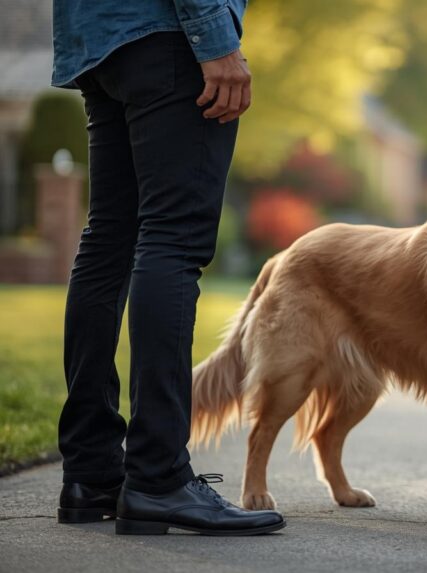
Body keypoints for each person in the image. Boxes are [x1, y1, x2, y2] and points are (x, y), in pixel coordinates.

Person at [52, 0, 285, 535]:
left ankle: (90, 473)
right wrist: (214, 38)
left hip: (99, 38)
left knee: (109, 239)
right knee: (173, 241)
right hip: (170, 34)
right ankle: (159, 476)